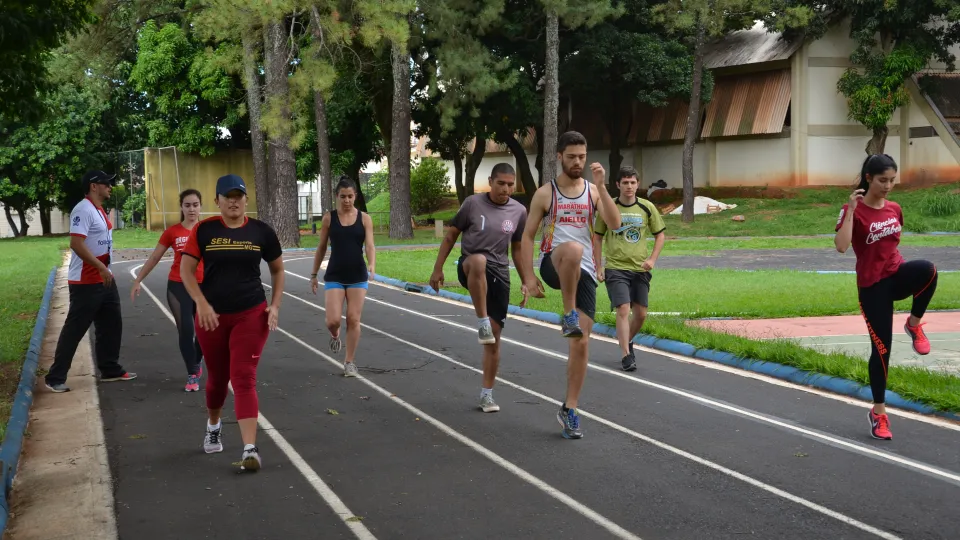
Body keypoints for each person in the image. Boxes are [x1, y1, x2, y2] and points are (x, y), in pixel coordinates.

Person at [519, 131, 622, 439]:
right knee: (573, 250)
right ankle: (568, 313)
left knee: (581, 343)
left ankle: (570, 409)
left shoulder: (592, 192)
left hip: (585, 273)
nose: (578, 162)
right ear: (559, 157)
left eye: (582, 156)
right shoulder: (545, 193)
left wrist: (602, 187)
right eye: (572, 157)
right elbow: (526, 237)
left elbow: (615, 224)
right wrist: (527, 277)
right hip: (554, 263)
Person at [180, 174, 285, 472]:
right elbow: (187, 271)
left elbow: (277, 270)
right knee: (216, 379)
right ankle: (213, 424)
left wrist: (275, 305)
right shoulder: (205, 230)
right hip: (211, 317)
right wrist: (201, 303)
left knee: (243, 377)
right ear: (217, 201)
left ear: (246, 200)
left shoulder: (262, 232)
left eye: (239, 196)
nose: (234, 201)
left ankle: (249, 448)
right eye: (228, 196)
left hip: (251, 313)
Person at [834, 154, 937, 441]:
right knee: (882, 351)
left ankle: (914, 325)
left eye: (892, 180)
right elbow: (842, 247)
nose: (889, 185)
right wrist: (852, 211)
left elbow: (893, 243)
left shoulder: (894, 208)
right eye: (883, 180)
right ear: (868, 178)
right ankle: (879, 413)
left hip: (895, 275)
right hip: (872, 288)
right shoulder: (852, 209)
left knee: (929, 270)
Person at [429, 163, 530, 413]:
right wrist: (437, 268)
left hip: (500, 275)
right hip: (470, 267)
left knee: (493, 342)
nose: (505, 189)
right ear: (490, 181)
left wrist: (527, 279)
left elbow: (517, 249)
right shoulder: (472, 204)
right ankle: (481, 319)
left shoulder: (519, 211)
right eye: (501, 183)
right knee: (479, 260)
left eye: (510, 185)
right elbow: (451, 236)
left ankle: (487, 395)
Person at [45, 170, 136, 393]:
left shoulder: (99, 209)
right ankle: (55, 377)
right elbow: (76, 243)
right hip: (86, 280)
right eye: (106, 183)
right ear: (94, 186)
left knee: (111, 324)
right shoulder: (82, 209)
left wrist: (105, 270)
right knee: (75, 329)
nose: (110, 186)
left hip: (104, 277)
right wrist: (100, 267)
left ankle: (110, 369)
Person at [131, 189, 206, 392]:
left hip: (203, 287)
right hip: (178, 285)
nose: (192, 209)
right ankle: (192, 374)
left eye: (195, 205)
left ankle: (196, 360)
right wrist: (138, 279)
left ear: (201, 207)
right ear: (181, 207)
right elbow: (155, 257)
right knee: (186, 330)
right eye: (188, 205)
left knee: (203, 331)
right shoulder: (172, 232)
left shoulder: (207, 230)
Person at [593, 166, 666, 371]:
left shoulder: (646, 207)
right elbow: (597, 237)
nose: (629, 186)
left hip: (640, 269)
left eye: (633, 182)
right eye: (625, 182)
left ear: (638, 184)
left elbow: (660, 235)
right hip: (616, 268)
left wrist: (652, 259)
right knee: (623, 309)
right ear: (618, 185)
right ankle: (626, 355)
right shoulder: (608, 206)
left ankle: (627, 341)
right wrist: (599, 266)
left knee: (641, 314)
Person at [309, 176, 376, 378]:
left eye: (350, 196)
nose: (346, 200)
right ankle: (335, 334)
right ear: (336, 196)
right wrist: (313, 274)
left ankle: (349, 362)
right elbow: (321, 247)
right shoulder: (329, 218)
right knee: (333, 320)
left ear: (355, 196)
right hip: (335, 275)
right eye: (343, 197)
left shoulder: (365, 218)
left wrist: (372, 263)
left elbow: (370, 245)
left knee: (354, 319)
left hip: (357, 274)